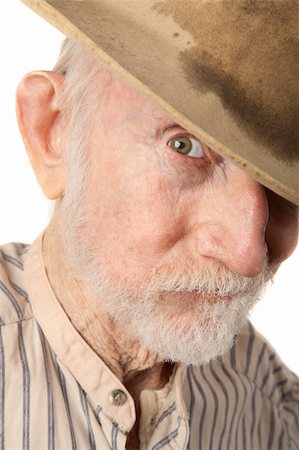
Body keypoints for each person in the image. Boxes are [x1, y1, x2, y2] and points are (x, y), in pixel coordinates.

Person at [1, 1, 298, 449]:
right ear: (52, 131)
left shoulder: (264, 396)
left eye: (286, 185)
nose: (248, 255)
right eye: (185, 146)